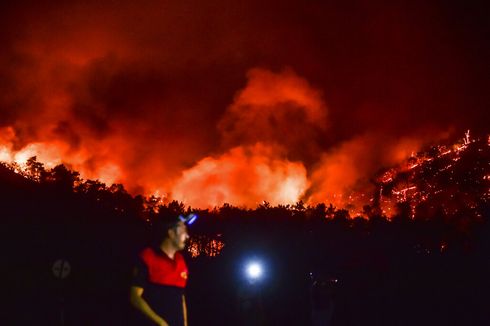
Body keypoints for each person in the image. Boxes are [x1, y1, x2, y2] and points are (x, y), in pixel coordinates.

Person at [130, 213, 192, 326]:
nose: (187, 236)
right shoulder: (148, 257)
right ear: (171, 233)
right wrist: (160, 322)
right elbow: (134, 297)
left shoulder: (181, 261)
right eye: (183, 231)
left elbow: (181, 298)